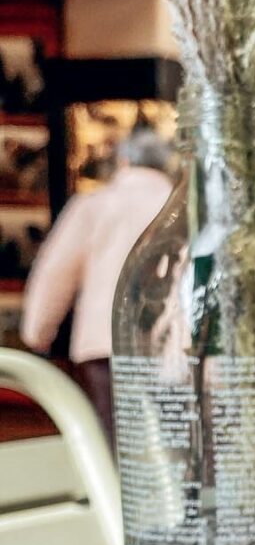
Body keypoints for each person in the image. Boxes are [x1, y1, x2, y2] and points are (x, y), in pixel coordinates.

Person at [21, 128, 175, 439]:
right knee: (171, 441)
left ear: (123, 161)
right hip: (168, 343)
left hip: (103, 341)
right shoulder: (180, 208)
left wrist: (37, 332)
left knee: (113, 441)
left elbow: (55, 272)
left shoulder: (94, 205)